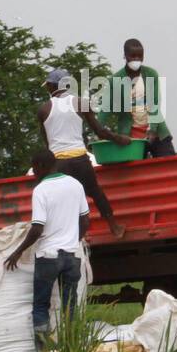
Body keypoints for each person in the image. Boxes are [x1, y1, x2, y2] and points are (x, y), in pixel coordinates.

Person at [5, 149, 90, 349]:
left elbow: (37, 228)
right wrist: (73, 241)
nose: (34, 174)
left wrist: (18, 252)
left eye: (34, 169)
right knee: (70, 306)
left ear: (42, 166)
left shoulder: (41, 190)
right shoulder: (75, 184)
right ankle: (72, 347)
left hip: (48, 257)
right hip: (71, 257)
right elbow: (85, 220)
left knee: (41, 305)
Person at [38, 67, 130, 239]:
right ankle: (114, 228)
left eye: (48, 86)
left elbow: (47, 143)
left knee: (65, 202)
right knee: (95, 192)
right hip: (80, 159)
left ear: (52, 86)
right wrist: (120, 139)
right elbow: (100, 131)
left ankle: (72, 236)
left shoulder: (43, 110)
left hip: (58, 163)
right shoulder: (80, 102)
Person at [96, 38, 176, 157]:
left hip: (156, 132)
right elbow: (104, 109)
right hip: (131, 137)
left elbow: (155, 103)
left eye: (140, 56)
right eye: (133, 56)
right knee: (135, 171)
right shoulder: (115, 80)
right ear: (125, 56)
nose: (136, 59)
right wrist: (98, 131)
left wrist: (152, 129)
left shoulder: (151, 74)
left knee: (169, 166)